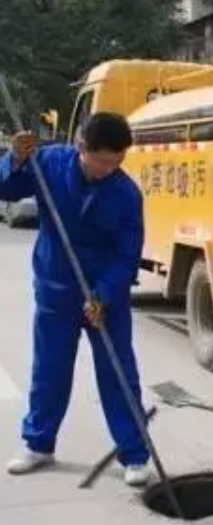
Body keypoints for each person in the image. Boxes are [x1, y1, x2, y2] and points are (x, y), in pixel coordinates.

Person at [0, 112, 151, 487]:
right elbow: (8, 189)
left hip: (105, 295)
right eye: (101, 161)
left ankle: (134, 454)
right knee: (49, 370)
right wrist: (14, 160)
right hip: (56, 287)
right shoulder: (49, 163)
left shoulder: (126, 193)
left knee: (118, 374)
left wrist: (103, 294)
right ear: (81, 147)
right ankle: (38, 444)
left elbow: (127, 253)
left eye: (116, 163)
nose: (108, 170)